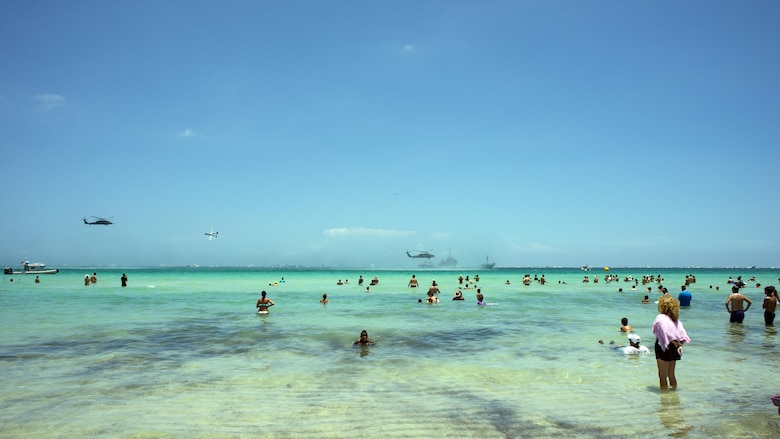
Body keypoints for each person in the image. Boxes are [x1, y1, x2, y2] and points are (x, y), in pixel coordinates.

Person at [651, 294, 691, 390]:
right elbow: (682, 334)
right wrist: (680, 345)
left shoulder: (661, 318)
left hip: (664, 347)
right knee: (671, 374)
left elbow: (667, 333)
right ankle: (674, 396)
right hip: (674, 348)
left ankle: (664, 401)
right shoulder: (675, 319)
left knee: (662, 376)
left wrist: (675, 343)